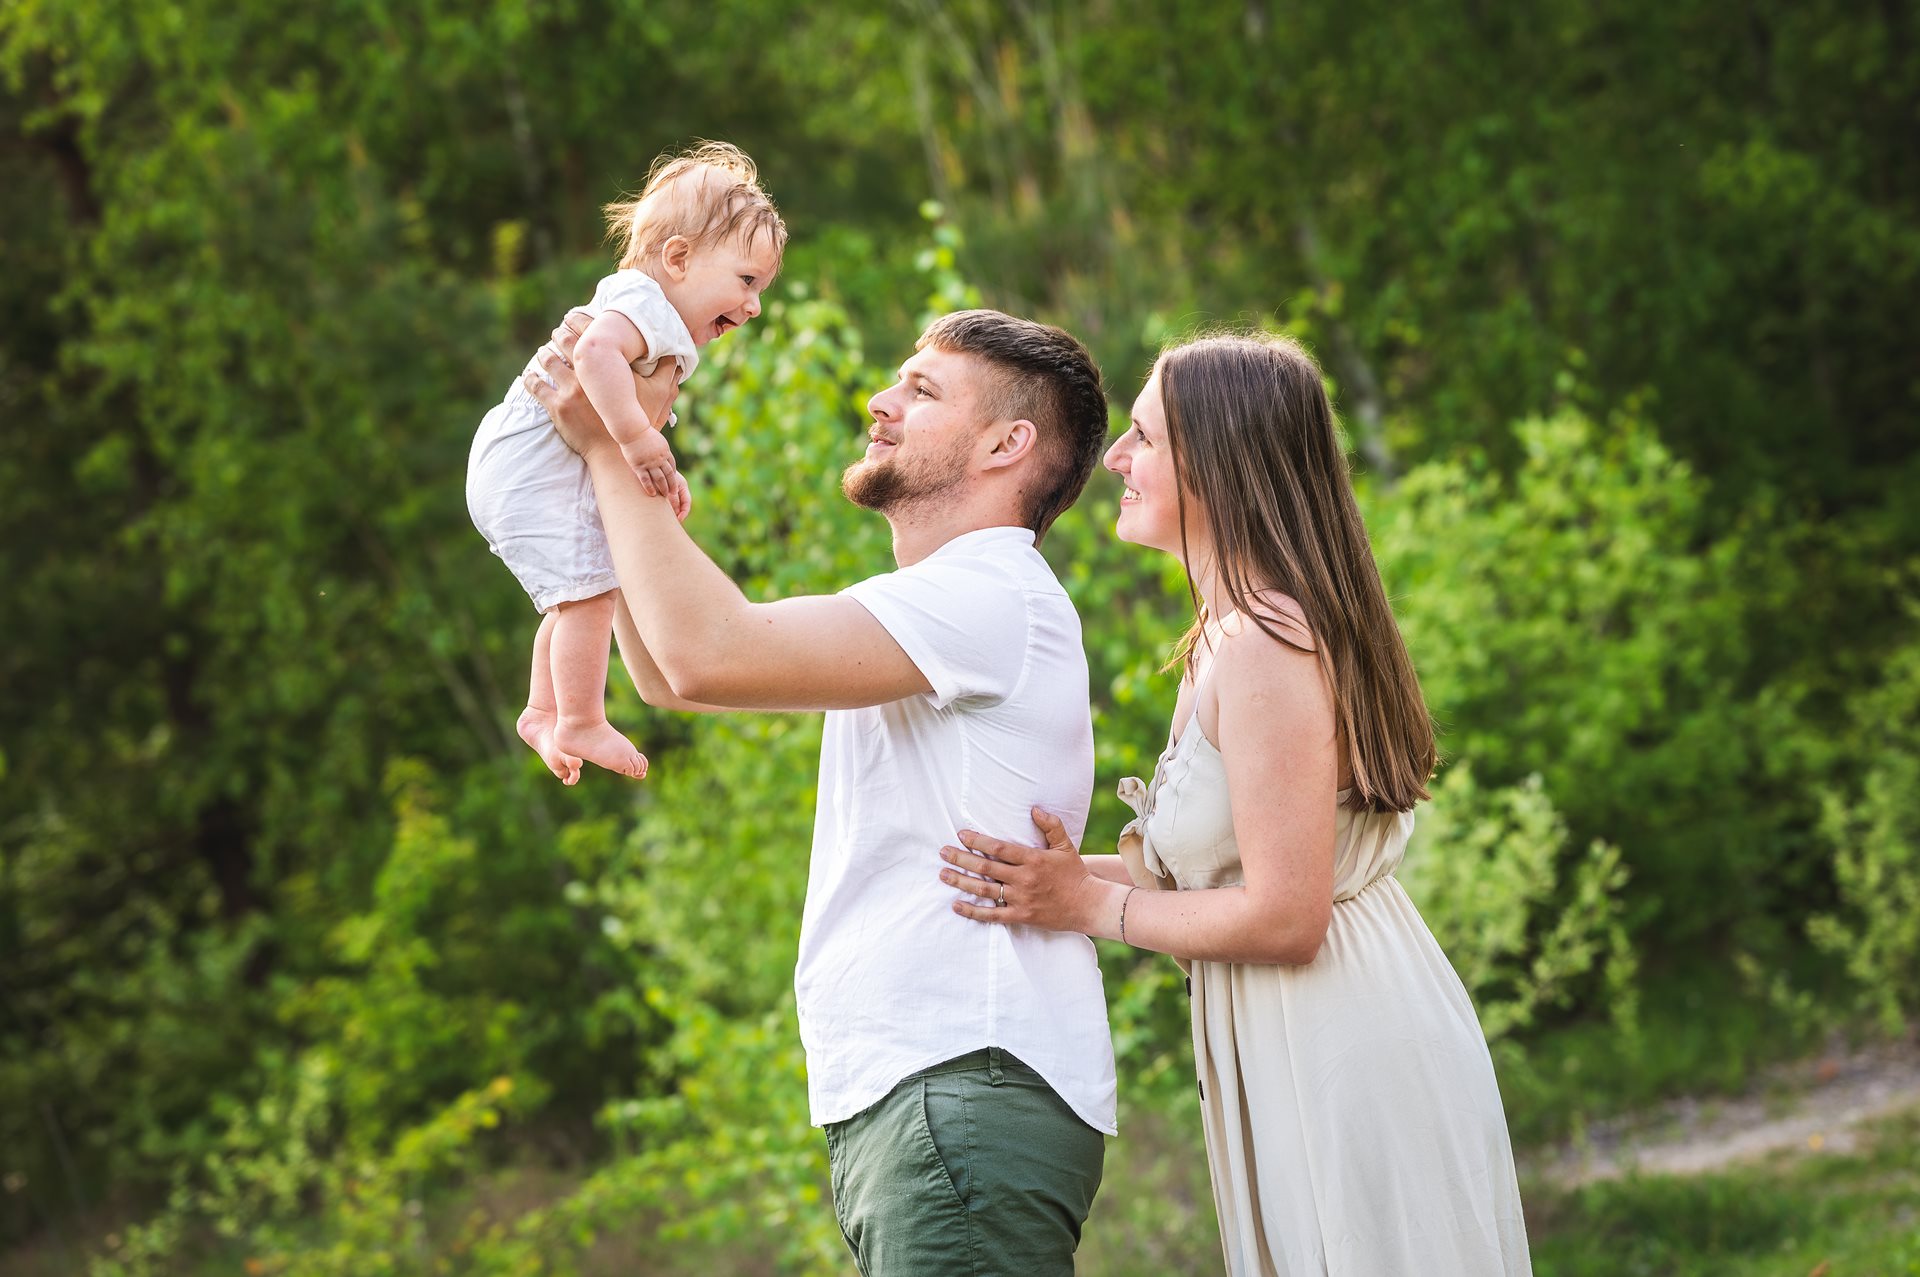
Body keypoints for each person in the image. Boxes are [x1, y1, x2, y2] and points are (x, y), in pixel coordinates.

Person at [523, 308, 1118, 1275]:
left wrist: (609, 446)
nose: (880, 401)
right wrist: (607, 467)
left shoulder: (989, 591)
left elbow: (709, 652)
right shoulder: (954, 600)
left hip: (960, 1076)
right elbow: (670, 676)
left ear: (1006, 445)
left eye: (922, 390)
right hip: (930, 1087)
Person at [936, 333, 1534, 1275]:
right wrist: (1052, 879)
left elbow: (1286, 915)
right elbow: (1214, 872)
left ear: (1220, 461)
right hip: (1284, 1027)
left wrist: (1087, 904)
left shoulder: (1266, 642)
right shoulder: (1224, 632)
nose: (1115, 458)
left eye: (1143, 437)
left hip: (1340, 1032)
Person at [466, 141, 784, 785]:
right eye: (746, 281)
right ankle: (581, 719)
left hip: (525, 464)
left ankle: (544, 710)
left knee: (579, 592)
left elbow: (629, 403)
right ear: (678, 258)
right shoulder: (644, 303)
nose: (753, 306)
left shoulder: (653, 313)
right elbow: (593, 358)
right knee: (589, 595)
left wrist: (654, 460)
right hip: (529, 462)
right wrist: (638, 442)